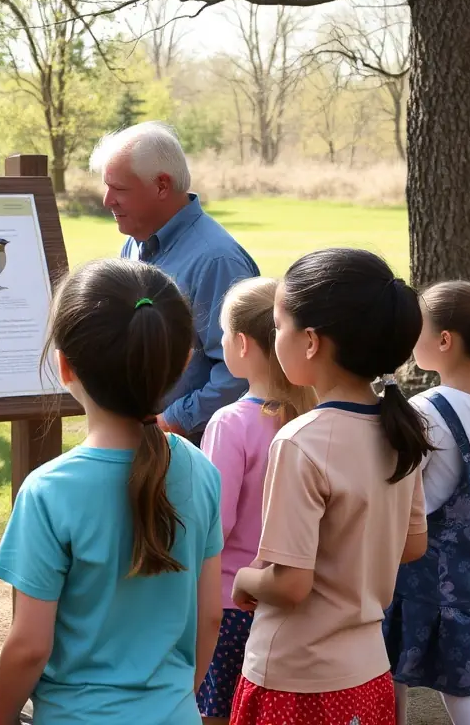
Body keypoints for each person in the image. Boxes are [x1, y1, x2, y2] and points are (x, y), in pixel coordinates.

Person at [0, 258, 224, 724]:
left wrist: (1, 718)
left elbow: (30, 645)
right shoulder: (200, 469)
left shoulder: (48, 492)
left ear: (65, 365)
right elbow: (210, 617)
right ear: (181, 362)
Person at [229, 248, 431, 725]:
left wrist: (245, 579)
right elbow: (413, 544)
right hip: (369, 674)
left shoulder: (301, 441)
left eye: (278, 325)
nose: (275, 337)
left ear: (312, 342)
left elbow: (291, 585)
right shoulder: (400, 427)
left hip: (295, 679)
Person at [383, 280, 470, 725]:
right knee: (460, 686)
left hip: (416, 566)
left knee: (390, 667)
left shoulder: (426, 410)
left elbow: (402, 485)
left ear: (443, 340)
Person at [90, 121, 259, 445]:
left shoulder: (217, 261)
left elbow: (240, 371)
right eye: (107, 187)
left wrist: (171, 421)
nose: (107, 200)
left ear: (162, 185)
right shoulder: (136, 243)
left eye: (120, 189)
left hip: (192, 455)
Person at [195, 277, 316, 725]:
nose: (222, 342)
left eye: (223, 334)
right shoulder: (313, 414)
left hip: (229, 603)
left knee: (217, 714)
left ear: (242, 344)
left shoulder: (230, 423)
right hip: (292, 600)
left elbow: (214, 524)